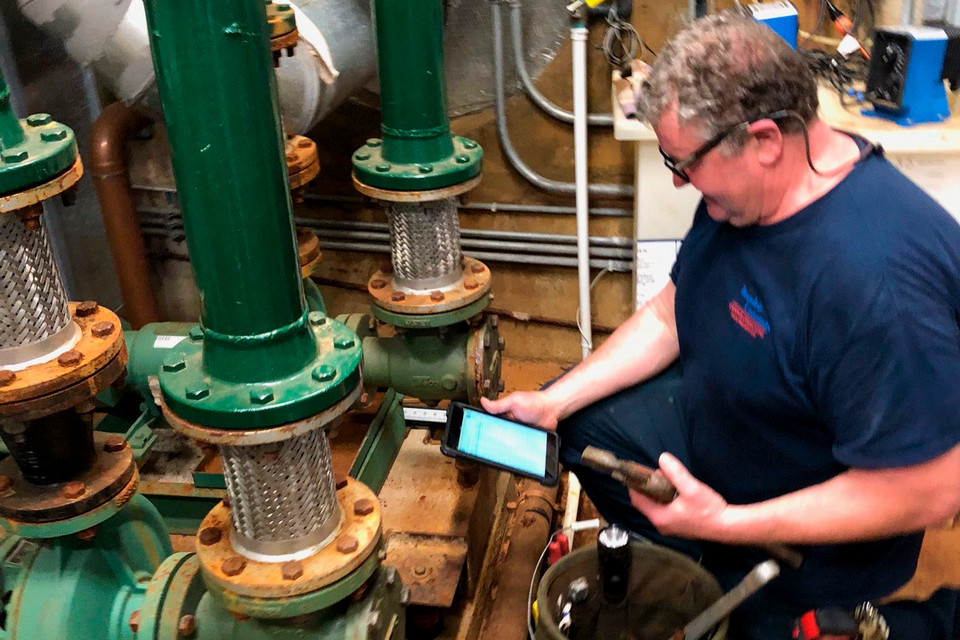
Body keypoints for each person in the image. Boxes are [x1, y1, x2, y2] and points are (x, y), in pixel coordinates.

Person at [482, 12, 960, 639]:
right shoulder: (747, 195)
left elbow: (931, 490)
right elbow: (669, 312)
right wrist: (553, 402)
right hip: (725, 435)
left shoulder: (877, 282)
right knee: (575, 420)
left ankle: (742, 579)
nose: (678, 181)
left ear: (765, 140)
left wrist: (726, 522)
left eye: (685, 163)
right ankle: (697, 555)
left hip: (807, 537)